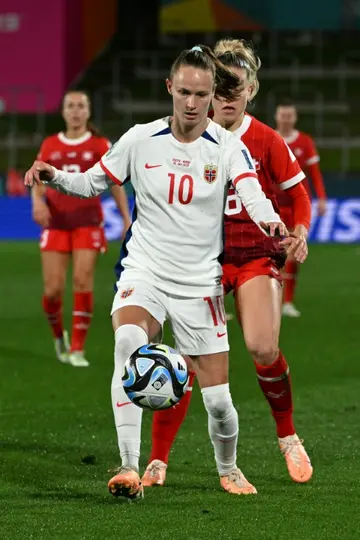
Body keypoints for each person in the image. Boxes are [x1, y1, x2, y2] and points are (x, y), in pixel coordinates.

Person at [25, 45, 289, 499]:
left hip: (198, 283)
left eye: (201, 95)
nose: (191, 103)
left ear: (211, 96)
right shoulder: (140, 138)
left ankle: (227, 468)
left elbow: (252, 191)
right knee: (128, 345)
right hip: (144, 270)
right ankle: (128, 466)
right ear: (170, 87)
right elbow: (91, 182)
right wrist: (54, 177)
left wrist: (269, 218)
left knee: (220, 403)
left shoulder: (229, 148)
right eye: (184, 91)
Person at [142, 39, 313, 489]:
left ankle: (288, 435)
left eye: (238, 86)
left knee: (261, 347)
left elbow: (297, 194)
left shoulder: (265, 139)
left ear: (252, 90)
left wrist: (300, 231)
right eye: (221, 85)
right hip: (203, 262)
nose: (228, 95)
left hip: (256, 255)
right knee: (188, 362)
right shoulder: (190, 136)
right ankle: (158, 460)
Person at [31, 90, 131, 367]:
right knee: (52, 290)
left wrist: (126, 218)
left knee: (82, 281)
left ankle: (77, 348)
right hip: (56, 223)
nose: (75, 111)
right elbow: (38, 179)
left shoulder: (100, 144)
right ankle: (58, 337)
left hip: (88, 223)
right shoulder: (50, 144)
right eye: (71, 106)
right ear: (63, 111)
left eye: (81, 106)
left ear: (88, 112)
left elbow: (116, 183)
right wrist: (37, 203)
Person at [275, 98, 327, 317]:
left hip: (297, 207)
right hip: (272, 207)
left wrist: (322, 198)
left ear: (295, 117)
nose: (286, 119)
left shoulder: (305, 142)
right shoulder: (269, 138)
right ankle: (271, 300)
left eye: (290, 115)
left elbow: (314, 173)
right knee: (272, 255)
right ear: (277, 116)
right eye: (283, 115)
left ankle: (287, 301)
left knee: (294, 254)